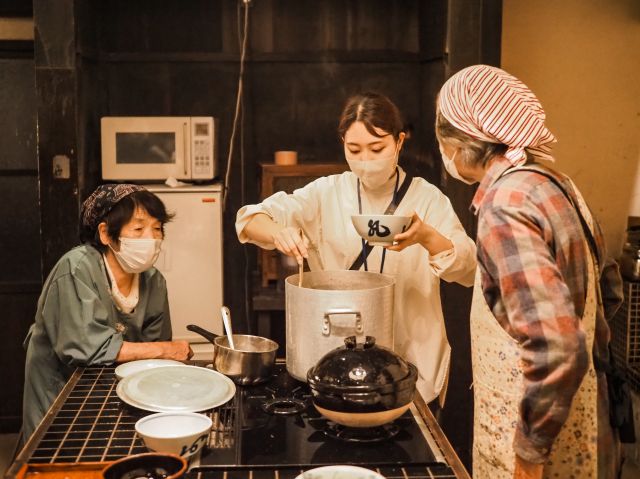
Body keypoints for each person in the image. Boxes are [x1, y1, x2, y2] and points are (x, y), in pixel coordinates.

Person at [435, 64, 623, 479]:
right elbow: (607, 291)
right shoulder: (555, 182)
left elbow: (556, 345)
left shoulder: (505, 204)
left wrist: (529, 452)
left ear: (461, 141)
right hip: (585, 418)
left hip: (534, 443)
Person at [236, 92, 477, 406]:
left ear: (399, 142)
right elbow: (248, 220)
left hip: (412, 358)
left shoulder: (427, 198)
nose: (366, 159)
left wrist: (427, 237)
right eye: (354, 149)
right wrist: (278, 231)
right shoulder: (326, 193)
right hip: (336, 362)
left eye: (377, 148)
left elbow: (471, 269)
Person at [22, 184, 193, 442]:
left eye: (157, 229)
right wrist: (165, 349)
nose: (151, 238)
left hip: (111, 397)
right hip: (61, 398)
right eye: (138, 229)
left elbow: (154, 349)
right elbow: (87, 348)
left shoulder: (153, 281)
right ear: (105, 233)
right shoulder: (76, 269)